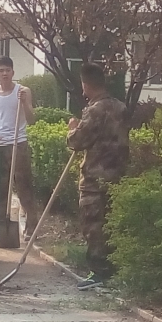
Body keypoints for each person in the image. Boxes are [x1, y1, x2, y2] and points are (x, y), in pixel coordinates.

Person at [66, 63, 128, 290]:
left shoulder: (94, 111)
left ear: (85, 85)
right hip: (117, 176)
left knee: (93, 226)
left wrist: (72, 128)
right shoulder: (120, 108)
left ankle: (99, 273)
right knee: (111, 224)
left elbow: (77, 142)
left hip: (94, 179)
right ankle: (113, 270)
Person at [0, 57, 39, 239]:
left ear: (13, 72)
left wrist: (24, 103)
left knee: (23, 186)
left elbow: (31, 119)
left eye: (8, 70)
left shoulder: (23, 91)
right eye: (1, 70)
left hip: (18, 143)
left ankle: (31, 226)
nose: (4, 73)